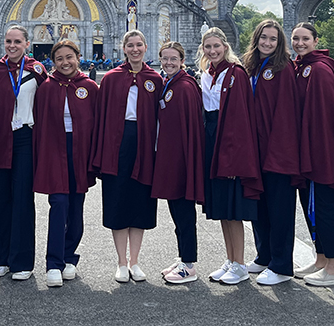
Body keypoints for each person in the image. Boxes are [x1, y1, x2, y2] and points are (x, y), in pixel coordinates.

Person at [91, 30, 162, 283]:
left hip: (144, 144)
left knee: (140, 200)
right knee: (118, 199)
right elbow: (100, 117)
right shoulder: (111, 78)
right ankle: (121, 262)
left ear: (145, 47)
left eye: (139, 45)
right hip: (116, 144)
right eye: (130, 45)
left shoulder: (155, 79)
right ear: (123, 49)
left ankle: (135, 261)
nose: (135, 49)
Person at [197, 27, 262, 285]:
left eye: (216, 46)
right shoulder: (205, 74)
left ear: (225, 46)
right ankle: (230, 259)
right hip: (211, 138)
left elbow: (242, 118)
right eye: (208, 47)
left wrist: (236, 156)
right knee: (223, 208)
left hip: (230, 143)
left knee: (234, 210)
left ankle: (240, 263)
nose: (212, 51)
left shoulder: (236, 74)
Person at [33, 39, 99, 287]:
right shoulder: (47, 88)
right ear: (53, 61)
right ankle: (53, 262)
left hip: (80, 151)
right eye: (59, 58)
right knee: (59, 202)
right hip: (54, 150)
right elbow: (39, 124)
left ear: (78, 57)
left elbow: (98, 124)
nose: (65, 62)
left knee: (77, 205)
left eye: (69, 57)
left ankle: (70, 256)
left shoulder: (90, 87)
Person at [242, 20, 300, 286]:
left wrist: (279, 151)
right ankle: (264, 255)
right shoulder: (252, 67)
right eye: (263, 37)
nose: (267, 42)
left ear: (279, 43)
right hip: (254, 148)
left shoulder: (283, 68)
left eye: (273, 39)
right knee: (260, 205)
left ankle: (281, 265)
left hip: (278, 151)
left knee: (280, 210)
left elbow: (286, 114)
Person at [0, 25, 47, 281]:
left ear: (27, 44)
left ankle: (22, 261)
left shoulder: (37, 70)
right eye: (8, 41)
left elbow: (49, 103)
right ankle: (1, 258)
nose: (12, 46)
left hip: (25, 138)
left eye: (17, 42)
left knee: (23, 199)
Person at [291, 22, 334, 286]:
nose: (299, 43)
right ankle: (322, 258)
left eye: (305, 39)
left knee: (324, 208)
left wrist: (319, 151)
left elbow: (326, 117)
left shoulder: (320, 69)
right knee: (311, 207)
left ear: (315, 40)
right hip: (308, 150)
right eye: (295, 39)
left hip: (321, 152)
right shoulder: (302, 67)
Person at [152, 41, 205, 284]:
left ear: (182, 60)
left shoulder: (184, 86)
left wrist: (186, 161)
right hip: (171, 156)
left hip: (181, 158)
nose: (169, 63)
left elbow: (189, 127)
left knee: (183, 212)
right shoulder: (169, 83)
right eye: (165, 59)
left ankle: (189, 264)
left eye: (174, 59)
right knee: (176, 210)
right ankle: (183, 257)